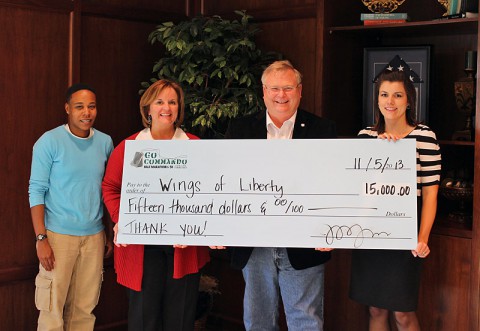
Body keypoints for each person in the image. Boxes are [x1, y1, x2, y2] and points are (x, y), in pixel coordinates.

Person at [223, 60, 336, 331]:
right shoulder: (239, 130)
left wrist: (332, 229)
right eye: (274, 88)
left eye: (288, 88)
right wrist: (220, 230)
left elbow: (333, 184)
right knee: (258, 321)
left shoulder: (323, 130)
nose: (281, 95)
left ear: (300, 91)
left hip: (304, 244)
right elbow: (224, 182)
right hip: (255, 245)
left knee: (305, 322)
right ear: (263, 92)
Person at [101, 79, 210, 331]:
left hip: (184, 245)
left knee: (180, 318)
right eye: (160, 101)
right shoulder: (129, 147)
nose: (167, 107)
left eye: (172, 102)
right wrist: (123, 218)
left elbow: (210, 191)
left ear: (179, 108)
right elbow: (110, 187)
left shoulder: (195, 146)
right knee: (143, 319)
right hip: (142, 246)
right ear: (147, 108)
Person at [349, 57, 441, 331]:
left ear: (409, 101)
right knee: (375, 308)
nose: (391, 101)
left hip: (405, 233)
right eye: (384, 94)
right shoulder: (365, 136)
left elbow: (431, 195)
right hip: (371, 230)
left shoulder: (426, 137)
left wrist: (421, 239)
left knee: (403, 312)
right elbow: (356, 188)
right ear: (377, 99)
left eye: (398, 95)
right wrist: (380, 151)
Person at [29, 83, 114, 330]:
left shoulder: (105, 142)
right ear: (67, 109)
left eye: (91, 106)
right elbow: (36, 191)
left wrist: (107, 232)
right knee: (51, 311)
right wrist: (41, 237)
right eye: (79, 107)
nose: (86, 112)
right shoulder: (49, 141)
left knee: (85, 311)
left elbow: (107, 189)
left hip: (94, 237)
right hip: (57, 238)